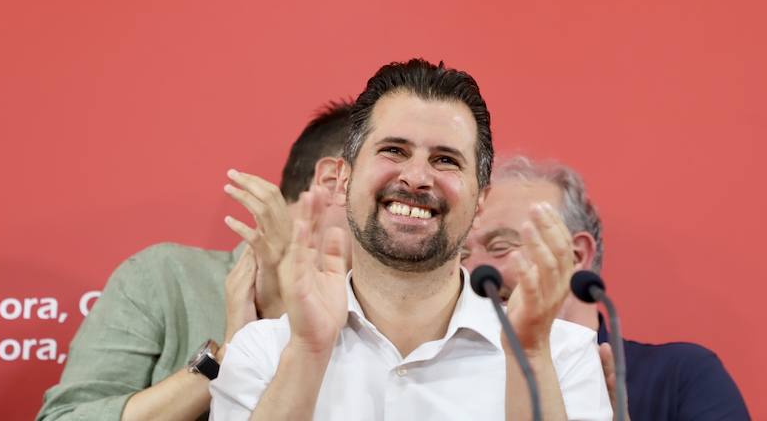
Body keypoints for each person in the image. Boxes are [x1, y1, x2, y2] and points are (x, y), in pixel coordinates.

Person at [210, 60, 612, 421]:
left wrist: (529, 357)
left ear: (481, 199)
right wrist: (308, 355)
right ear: (344, 178)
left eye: (446, 160)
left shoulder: (560, 355)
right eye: (394, 151)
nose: (417, 177)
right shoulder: (265, 349)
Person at [36, 100, 354, 421]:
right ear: (333, 179)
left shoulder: (379, 315)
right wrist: (227, 356)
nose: (406, 183)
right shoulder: (167, 278)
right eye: (391, 156)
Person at [462, 155, 751, 421]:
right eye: (462, 255)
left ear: (575, 256)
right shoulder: (457, 378)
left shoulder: (680, 377)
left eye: (499, 247)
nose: (471, 269)